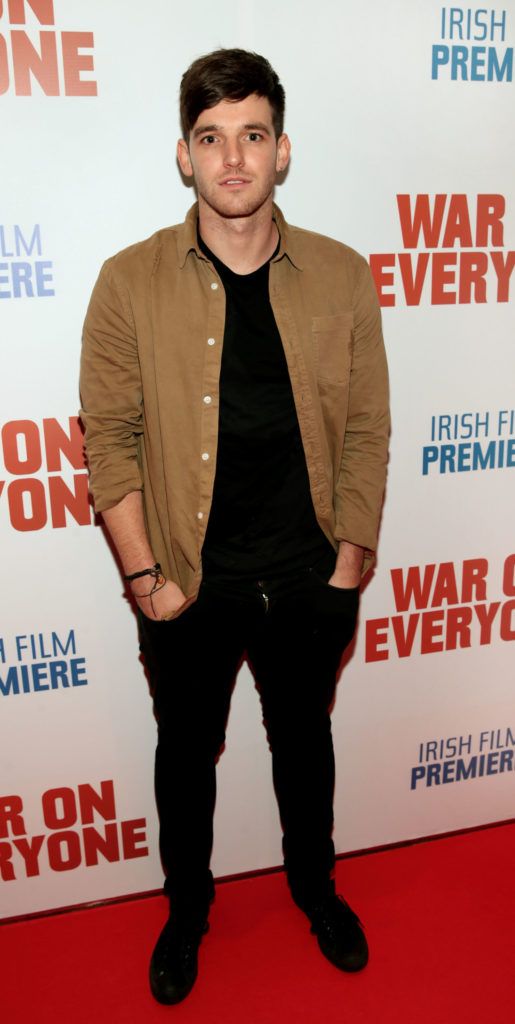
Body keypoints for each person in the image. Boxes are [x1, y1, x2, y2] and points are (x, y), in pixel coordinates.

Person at [80, 47, 389, 1005]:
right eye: (210, 139)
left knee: (306, 747)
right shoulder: (128, 284)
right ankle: (185, 911)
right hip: (186, 580)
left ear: (281, 149)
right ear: (184, 156)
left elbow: (369, 426)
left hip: (308, 574)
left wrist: (348, 563)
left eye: (251, 135)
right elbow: (111, 443)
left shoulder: (341, 276)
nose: (232, 158)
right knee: (185, 757)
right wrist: (147, 582)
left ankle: (315, 889)